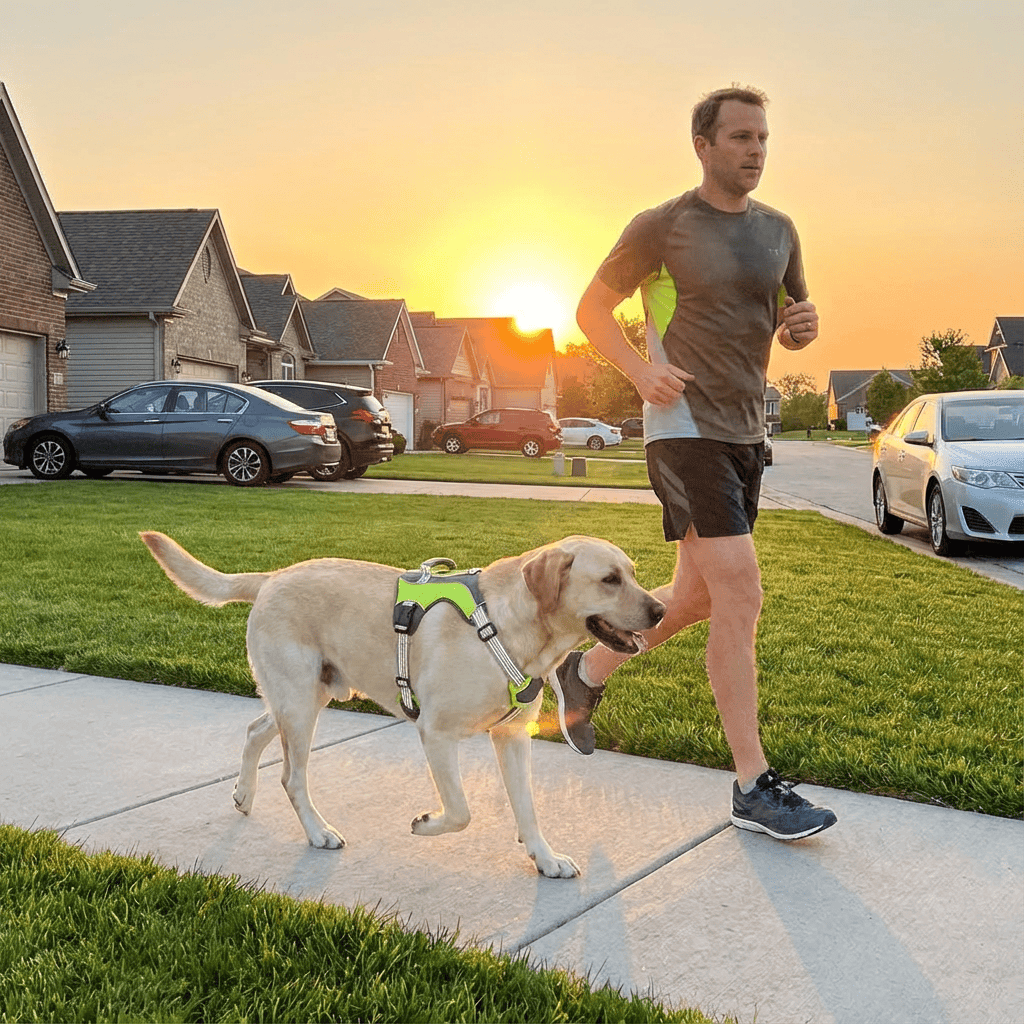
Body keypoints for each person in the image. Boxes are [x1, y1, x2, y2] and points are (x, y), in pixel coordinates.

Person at [549, 86, 836, 841]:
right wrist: (641, 372)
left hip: (744, 433)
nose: (756, 149)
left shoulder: (780, 231)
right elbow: (590, 310)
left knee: (699, 598)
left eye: (763, 137)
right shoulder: (663, 225)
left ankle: (584, 673)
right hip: (683, 430)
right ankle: (752, 785)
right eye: (740, 136)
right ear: (703, 145)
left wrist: (802, 329)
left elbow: (789, 322)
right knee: (742, 594)